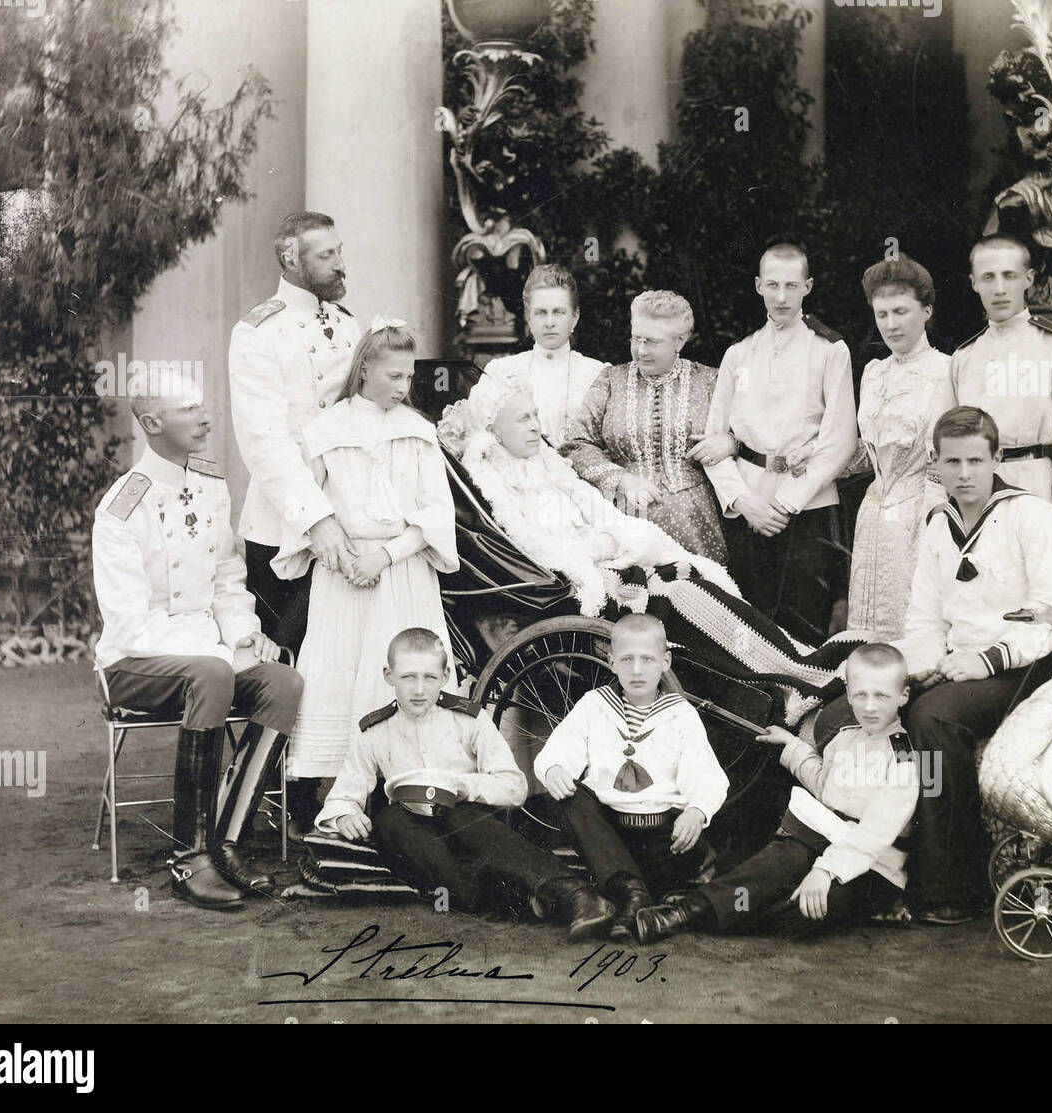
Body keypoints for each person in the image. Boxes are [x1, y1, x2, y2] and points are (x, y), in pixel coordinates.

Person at [437, 372, 862, 726]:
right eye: (522, 419)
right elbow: (541, 550)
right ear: (494, 430)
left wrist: (625, 539)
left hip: (614, 564)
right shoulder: (499, 484)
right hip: (586, 588)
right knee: (679, 597)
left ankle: (795, 664)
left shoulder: (548, 465)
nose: (535, 426)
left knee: (692, 578)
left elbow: (601, 512)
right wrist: (603, 548)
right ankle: (784, 680)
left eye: (535, 416)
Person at [813, 406, 1052, 924]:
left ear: (997, 458)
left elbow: (1051, 618)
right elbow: (926, 617)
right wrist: (916, 668)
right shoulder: (939, 522)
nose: (964, 474)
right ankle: (860, 861)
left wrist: (987, 659)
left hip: (1029, 666)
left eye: (976, 461)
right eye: (952, 462)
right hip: (963, 664)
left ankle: (952, 881)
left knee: (932, 718)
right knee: (844, 707)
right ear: (935, 463)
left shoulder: (1034, 516)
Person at [92, 389, 304, 909]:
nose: (205, 418)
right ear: (151, 422)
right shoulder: (122, 506)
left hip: (211, 659)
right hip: (134, 663)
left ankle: (227, 843)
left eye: (201, 407)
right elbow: (129, 622)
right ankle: (189, 858)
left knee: (283, 681)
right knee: (211, 673)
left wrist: (244, 634)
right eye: (188, 410)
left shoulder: (211, 486)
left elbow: (229, 580)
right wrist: (219, 650)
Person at [313, 629, 616, 940]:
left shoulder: (469, 719)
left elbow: (514, 787)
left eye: (430, 677)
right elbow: (345, 793)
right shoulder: (374, 730)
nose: (419, 689)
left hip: (474, 830)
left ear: (446, 675)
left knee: (461, 814)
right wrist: (346, 815)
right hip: (414, 839)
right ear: (389, 676)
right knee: (390, 820)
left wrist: (463, 787)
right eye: (408, 677)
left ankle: (575, 894)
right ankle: (523, 900)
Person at [271, 318, 459, 817]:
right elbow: (305, 505)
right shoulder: (325, 432)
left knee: (400, 671)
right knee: (341, 673)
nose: (403, 387)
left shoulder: (418, 432)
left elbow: (434, 515)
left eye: (409, 377)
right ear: (364, 371)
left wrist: (386, 554)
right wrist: (340, 553)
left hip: (401, 573)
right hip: (343, 575)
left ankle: (404, 799)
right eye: (393, 375)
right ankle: (335, 803)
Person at [634, 643, 919, 943]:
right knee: (789, 859)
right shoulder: (845, 739)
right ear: (848, 693)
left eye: (881, 695)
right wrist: (792, 747)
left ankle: (710, 906)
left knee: (797, 914)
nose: (870, 706)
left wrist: (825, 871)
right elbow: (826, 786)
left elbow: (875, 833)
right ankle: (685, 913)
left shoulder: (904, 757)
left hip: (873, 869)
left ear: (903, 696)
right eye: (861, 694)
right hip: (829, 848)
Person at [228, 212, 364, 833]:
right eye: (325, 256)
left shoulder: (352, 325)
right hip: (285, 526)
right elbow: (265, 444)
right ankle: (257, 813)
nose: (340, 264)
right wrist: (318, 520)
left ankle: (332, 801)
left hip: (353, 519)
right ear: (290, 263)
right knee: (290, 670)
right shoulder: (258, 333)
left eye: (339, 251)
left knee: (342, 661)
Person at [533, 614, 729, 939]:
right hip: (612, 836)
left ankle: (641, 892)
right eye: (627, 659)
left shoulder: (680, 714)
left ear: (665, 662)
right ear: (611, 661)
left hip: (662, 837)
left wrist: (697, 810)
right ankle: (631, 891)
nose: (637, 670)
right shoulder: (595, 705)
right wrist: (554, 769)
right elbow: (560, 748)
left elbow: (706, 773)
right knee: (570, 797)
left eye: (647, 659)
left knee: (691, 830)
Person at [700, 243, 859, 645]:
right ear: (758, 286)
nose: (782, 296)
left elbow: (840, 440)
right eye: (772, 285)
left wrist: (787, 502)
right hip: (750, 504)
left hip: (807, 506)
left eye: (792, 285)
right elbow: (714, 438)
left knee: (804, 624)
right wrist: (742, 502)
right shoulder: (739, 353)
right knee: (748, 623)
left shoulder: (830, 350)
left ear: (808, 286)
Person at [562, 290, 728, 563]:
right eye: (636, 338)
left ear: (680, 341)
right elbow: (576, 444)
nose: (640, 350)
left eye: (652, 342)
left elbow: (751, 433)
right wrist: (621, 479)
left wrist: (731, 441)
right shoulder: (611, 380)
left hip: (695, 524)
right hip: (624, 522)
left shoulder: (710, 381)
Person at [951, 234, 1052, 546]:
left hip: (1035, 490)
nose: (999, 288)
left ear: (1028, 279)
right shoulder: (964, 357)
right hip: (976, 499)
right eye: (988, 277)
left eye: (1009, 276)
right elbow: (945, 447)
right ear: (974, 282)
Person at [848, 255, 956, 640]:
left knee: (915, 622)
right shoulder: (874, 373)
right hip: (874, 512)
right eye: (882, 314)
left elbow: (947, 455)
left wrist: (935, 521)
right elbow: (865, 451)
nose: (890, 324)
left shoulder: (947, 369)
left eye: (900, 311)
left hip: (923, 510)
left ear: (926, 310)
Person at [482, 263, 606, 446]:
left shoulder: (598, 374)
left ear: (575, 317)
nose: (549, 322)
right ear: (528, 318)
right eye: (540, 313)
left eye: (558, 312)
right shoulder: (500, 371)